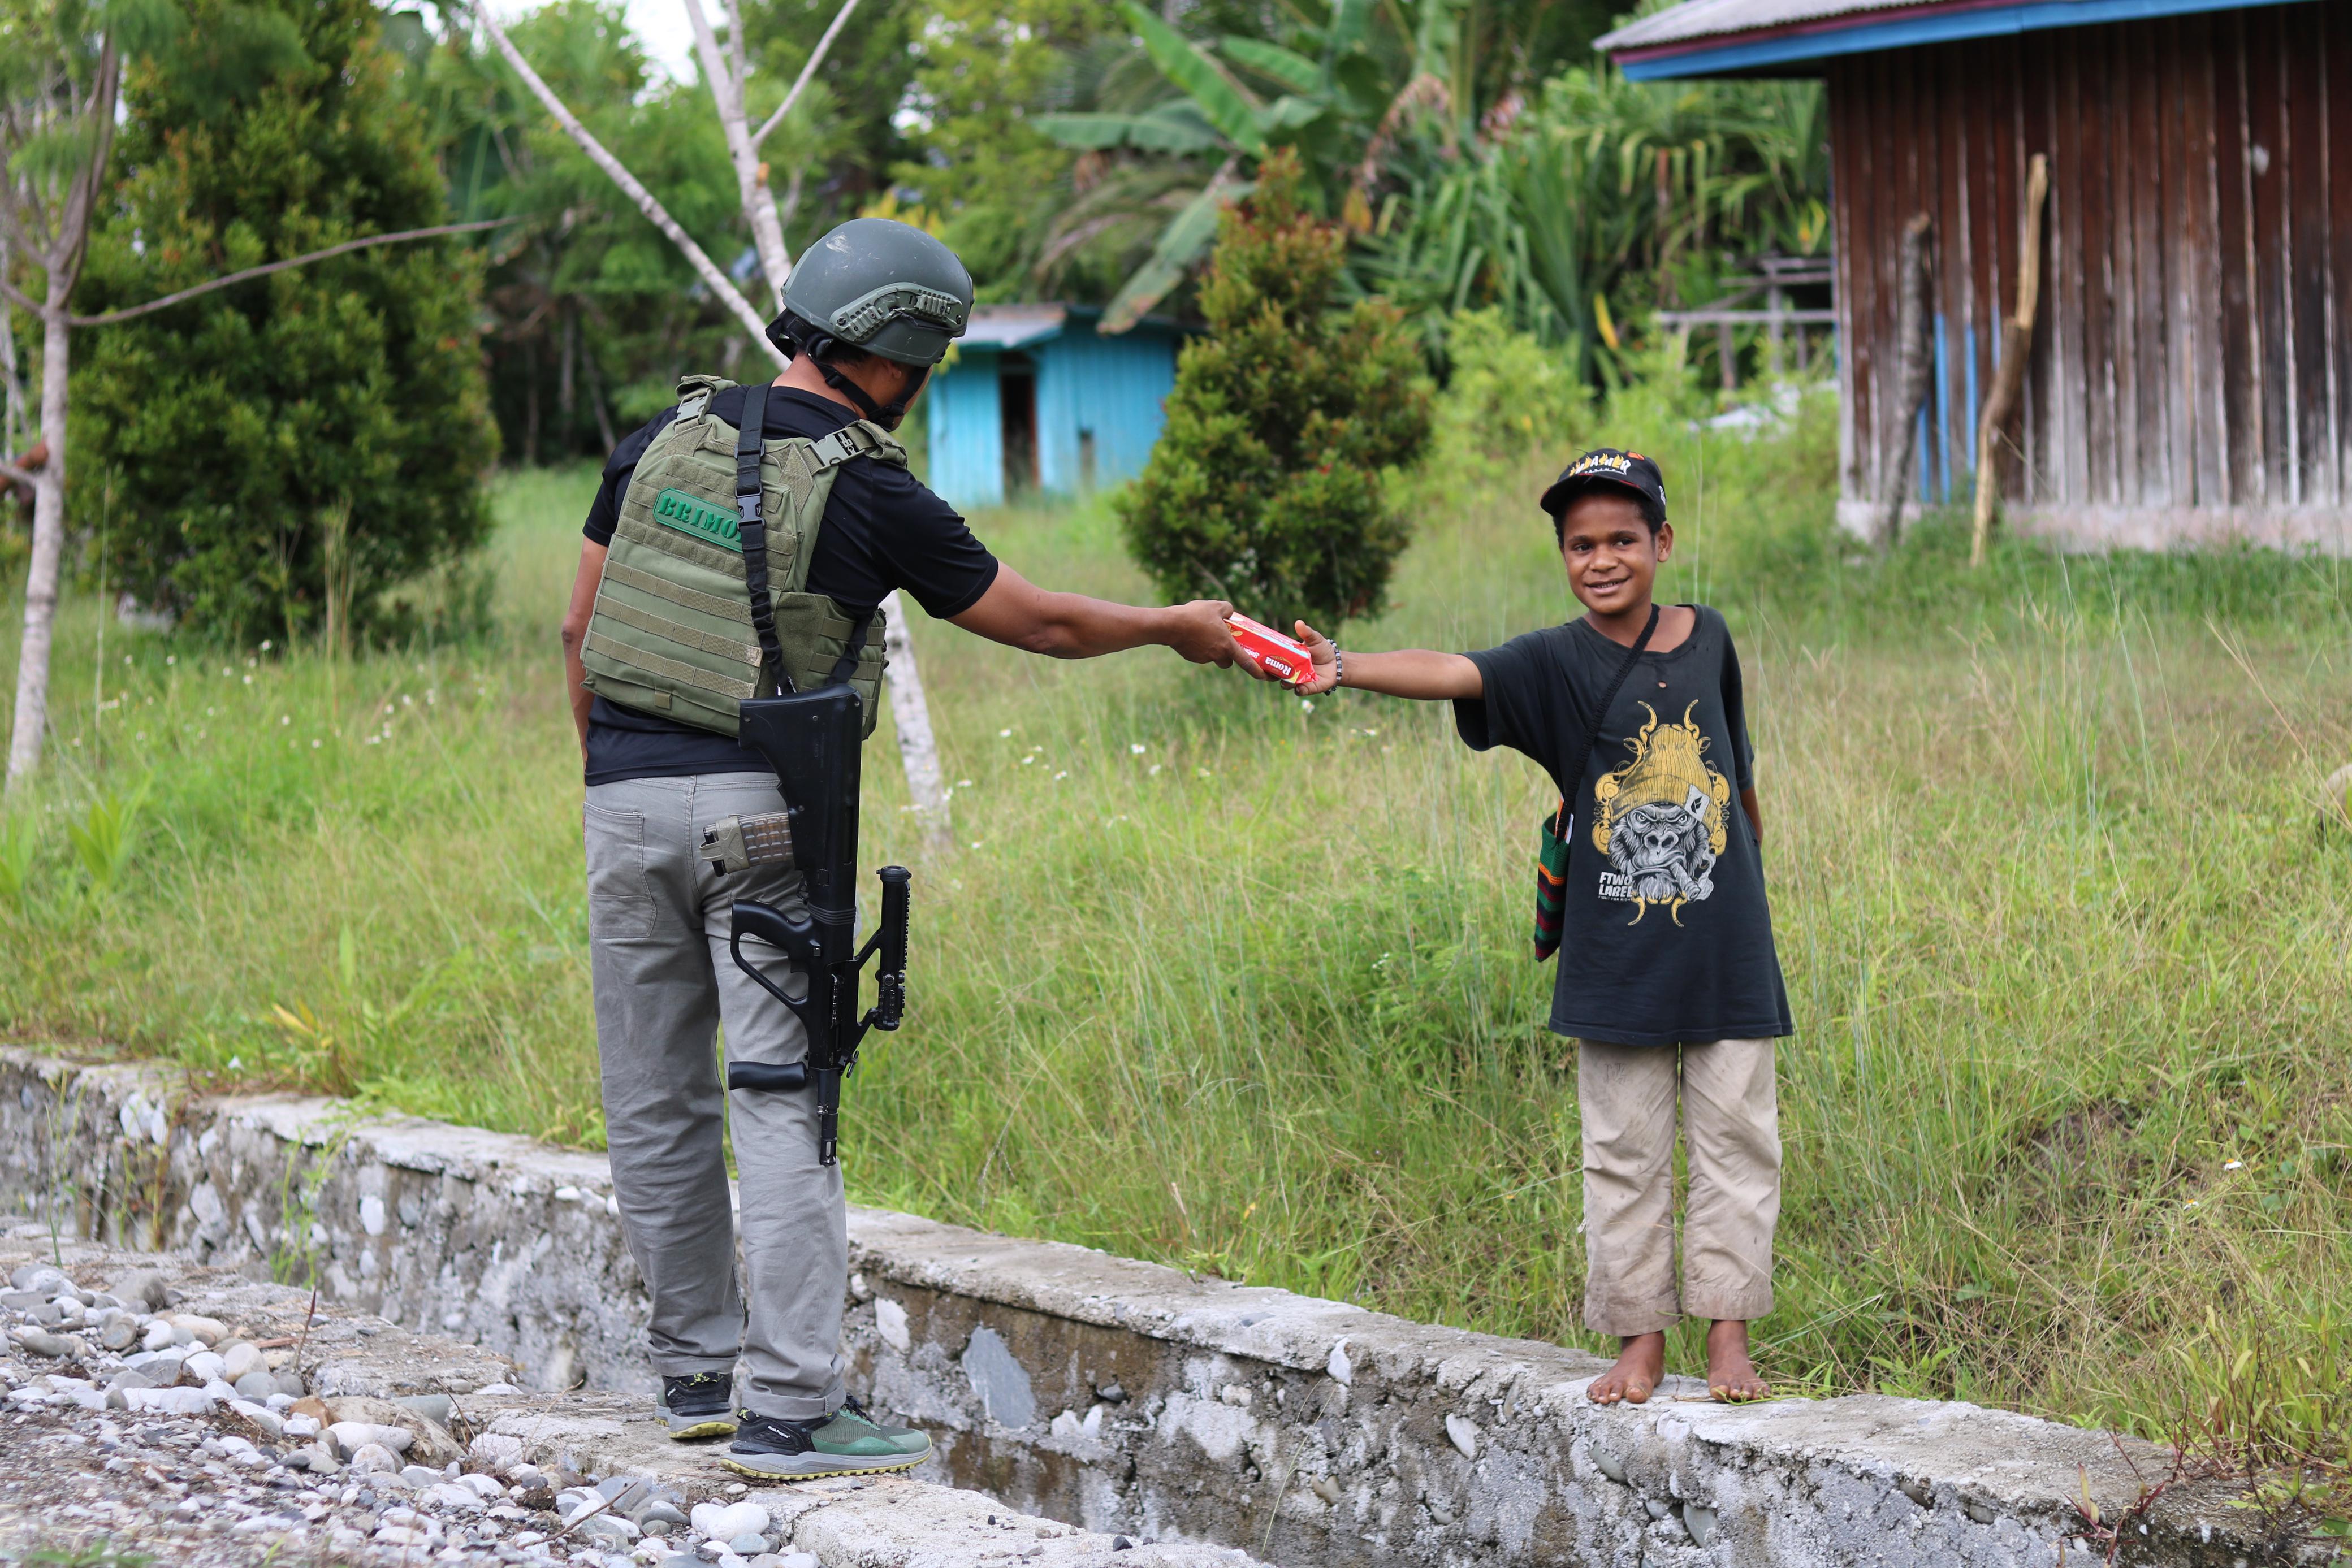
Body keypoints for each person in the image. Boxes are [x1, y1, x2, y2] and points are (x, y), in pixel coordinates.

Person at [558, 218, 1246, 1479]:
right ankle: (788, 1410)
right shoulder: (866, 484)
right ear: (892, 352)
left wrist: (621, 788)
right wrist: (1172, 627)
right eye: (924, 366)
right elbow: (1034, 621)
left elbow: (579, 629)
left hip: (619, 803)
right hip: (758, 815)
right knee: (780, 1096)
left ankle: (697, 1378)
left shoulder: (657, 440)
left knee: (652, 1098)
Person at [1276, 448, 1792, 1405]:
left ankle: (1729, 1335)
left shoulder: (1710, 636)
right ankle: (1641, 1338)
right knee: (1624, 1152)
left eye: (1623, 540)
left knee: (1738, 1144)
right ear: (1562, 555)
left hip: (1728, 950)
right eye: (1580, 543)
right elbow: (1454, 669)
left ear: (1663, 543)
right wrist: (1343, 667)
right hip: (1616, 958)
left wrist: (1757, 881)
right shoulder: (1555, 660)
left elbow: (1740, 770)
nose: (1602, 559)